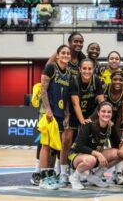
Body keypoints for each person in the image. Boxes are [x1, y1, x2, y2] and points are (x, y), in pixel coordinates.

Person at [38, 45, 71, 190]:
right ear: (57, 55)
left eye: (67, 53)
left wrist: (67, 113)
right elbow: (43, 89)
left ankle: (50, 175)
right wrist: (48, 110)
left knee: (54, 147)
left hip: (59, 112)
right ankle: (43, 178)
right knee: (46, 145)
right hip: (48, 112)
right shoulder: (51, 67)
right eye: (63, 53)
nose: (65, 55)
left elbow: (66, 96)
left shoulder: (68, 72)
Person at [68, 101, 121, 190]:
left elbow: (117, 144)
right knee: (91, 160)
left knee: (120, 153)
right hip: (76, 155)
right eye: (103, 111)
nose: (106, 114)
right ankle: (74, 177)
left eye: (109, 112)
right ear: (98, 112)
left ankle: (95, 177)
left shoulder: (111, 126)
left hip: (94, 155)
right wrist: (98, 154)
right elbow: (79, 146)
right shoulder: (88, 124)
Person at [103, 70, 123, 184]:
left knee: (118, 146)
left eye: (120, 80)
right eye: (115, 79)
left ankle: (118, 173)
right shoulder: (105, 89)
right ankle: (94, 172)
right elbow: (98, 107)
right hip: (101, 119)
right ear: (111, 79)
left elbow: (120, 117)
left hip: (115, 122)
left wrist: (117, 134)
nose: (117, 82)